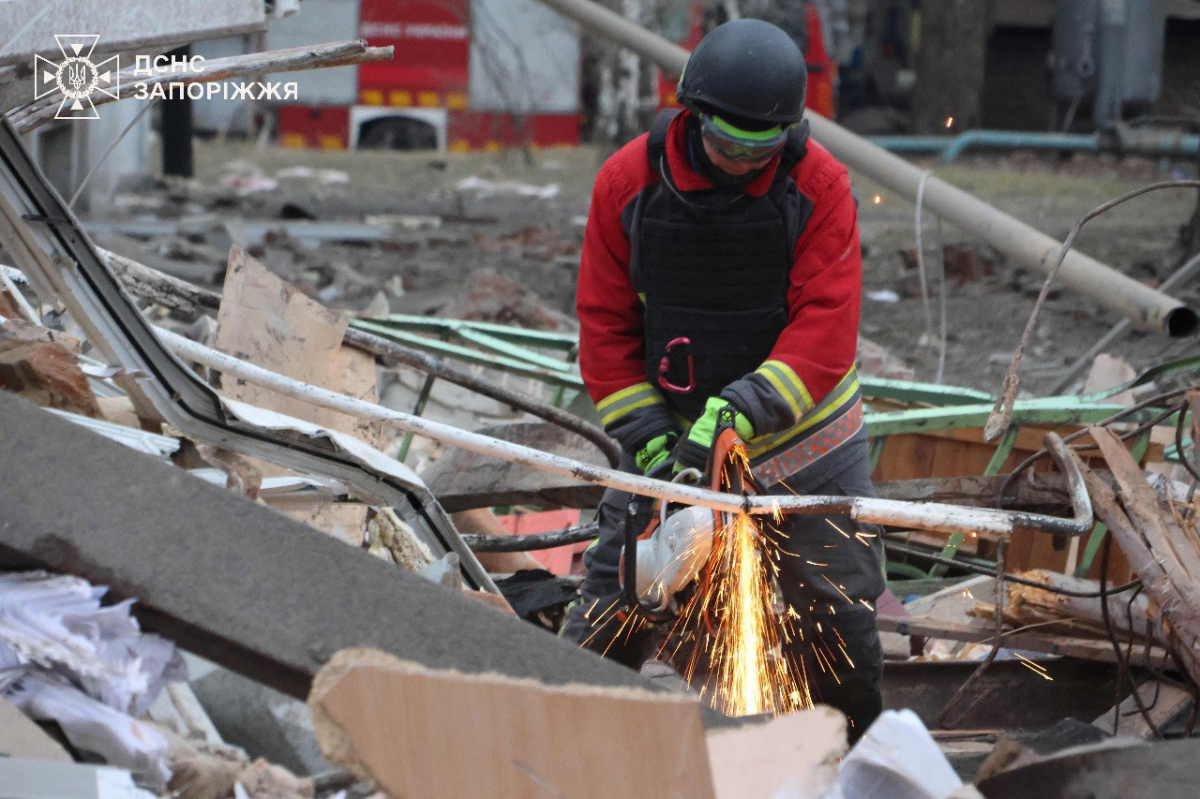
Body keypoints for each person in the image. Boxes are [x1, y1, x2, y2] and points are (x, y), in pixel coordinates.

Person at [564, 18, 885, 740]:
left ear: (789, 135)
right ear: (690, 115)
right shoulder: (626, 182)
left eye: (761, 148)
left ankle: (859, 755)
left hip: (806, 436)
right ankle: (557, 743)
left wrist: (742, 408)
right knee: (620, 601)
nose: (742, 162)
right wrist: (647, 440)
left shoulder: (820, 186)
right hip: (672, 434)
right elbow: (605, 325)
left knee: (836, 608)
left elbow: (826, 326)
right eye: (728, 143)